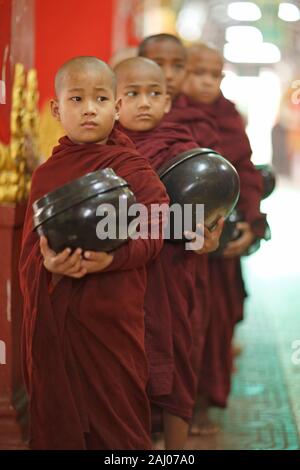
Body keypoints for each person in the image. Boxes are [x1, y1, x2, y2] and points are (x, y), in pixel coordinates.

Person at [19, 56, 169, 450]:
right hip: (62, 320)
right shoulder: (46, 174)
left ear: (116, 107)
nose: (89, 109)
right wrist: (49, 264)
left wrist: (112, 260)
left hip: (113, 316)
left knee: (119, 421)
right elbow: (30, 253)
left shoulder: (131, 168)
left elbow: (155, 231)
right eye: (77, 99)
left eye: (101, 99)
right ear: (57, 109)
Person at [114, 56, 223, 449]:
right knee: (126, 366)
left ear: (167, 101)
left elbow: (206, 206)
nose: (144, 102)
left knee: (177, 357)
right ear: (114, 102)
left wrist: (209, 234)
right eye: (133, 93)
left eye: (154, 93)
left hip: (174, 270)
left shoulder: (183, 148)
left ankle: (176, 451)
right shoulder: (102, 150)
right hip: (121, 275)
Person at [182, 44, 267, 432]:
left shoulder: (229, 116)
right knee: (187, 328)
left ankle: (202, 403)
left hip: (225, 242)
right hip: (182, 245)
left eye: (213, 74)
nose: (205, 81)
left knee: (216, 326)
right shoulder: (173, 116)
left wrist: (252, 221)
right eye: (197, 72)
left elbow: (246, 171)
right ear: (184, 73)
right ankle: (179, 410)